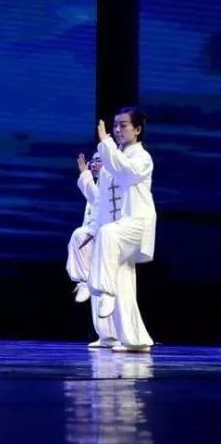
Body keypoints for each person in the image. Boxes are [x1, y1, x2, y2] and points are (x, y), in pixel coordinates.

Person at [89, 108, 156, 353]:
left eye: (123, 125)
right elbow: (103, 202)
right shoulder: (112, 161)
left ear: (137, 129)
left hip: (138, 222)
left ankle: (104, 291)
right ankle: (135, 339)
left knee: (108, 233)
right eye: (115, 125)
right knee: (123, 281)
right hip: (120, 228)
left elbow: (126, 172)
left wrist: (105, 144)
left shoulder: (143, 158)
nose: (117, 130)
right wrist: (94, 229)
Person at [69, 152, 119, 348]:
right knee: (95, 288)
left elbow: (97, 199)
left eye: (99, 160)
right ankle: (105, 336)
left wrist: (84, 174)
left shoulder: (112, 183)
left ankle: (115, 334)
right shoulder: (98, 184)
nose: (94, 164)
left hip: (107, 240)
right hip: (94, 241)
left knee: (106, 288)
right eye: (93, 161)